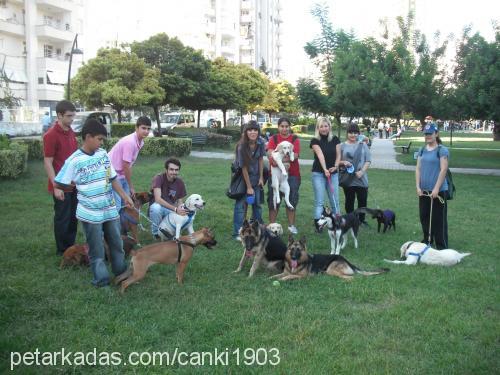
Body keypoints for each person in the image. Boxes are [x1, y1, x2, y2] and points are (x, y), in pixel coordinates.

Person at [54, 119, 133, 287]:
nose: (101, 142)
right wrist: (73, 185)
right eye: (99, 139)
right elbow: (59, 182)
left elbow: (112, 178)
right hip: (90, 214)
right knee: (96, 250)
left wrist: (124, 195)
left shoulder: (103, 154)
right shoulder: (74, 160)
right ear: (88, 137)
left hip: (109, 209)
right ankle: (101, 280)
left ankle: (122, 273)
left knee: (116, 243)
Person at [43, 100, 79, 256]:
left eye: (73, 116)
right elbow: (47, 161)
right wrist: (56, 186)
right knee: (62, 218)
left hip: (74, 184)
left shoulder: (71, 131)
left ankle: (70, 247)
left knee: (73, 217)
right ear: (59, 115)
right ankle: (62, 251)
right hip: (61, 185)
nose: (72, 119)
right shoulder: (50, 135)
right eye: (69, 116)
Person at [416, 122, 449, 249]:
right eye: (426, 134)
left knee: (438, 219)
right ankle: (427, 240)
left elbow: (443, 170)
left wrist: (436, 188)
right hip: (424, 190)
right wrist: (418, 186)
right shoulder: (422, 150)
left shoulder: (442, 150)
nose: (428, 136)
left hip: (438, 191)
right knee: (424, 216)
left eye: (430, 133)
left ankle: (442, 245)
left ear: (436, 133)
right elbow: (418, 169)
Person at [109, 116, 151, 212]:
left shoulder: (141, 142)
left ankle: (124, 226)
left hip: (121, 174)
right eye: (143, 128)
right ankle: (115, 226)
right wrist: (131, 186)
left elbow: (127, 165)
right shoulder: (130, 142)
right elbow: (126, 166)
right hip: (112, 173)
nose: (146, 131)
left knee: (127, 202)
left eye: (148, 129)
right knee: (117, 206)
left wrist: (128, 184)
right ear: (136, 128)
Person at [232, 120, 266, 240]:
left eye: (255, 130)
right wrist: (249, 187)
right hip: (243, 178)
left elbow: (261, 160)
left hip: (256, 177)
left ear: (258, 132)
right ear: (246, 132)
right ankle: (237, 232)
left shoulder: (261, 142)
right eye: (250, 130)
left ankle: (257, 229)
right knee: (241, 206)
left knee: (257, 204)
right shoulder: (241, 146)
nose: (253, 132)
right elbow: (243, 167)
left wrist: (261, 177)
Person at [267, 117, 301, 234]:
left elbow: (295, 155)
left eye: (287, 126)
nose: (284, 128)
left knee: (291, 199)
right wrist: (278, 159)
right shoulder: (274, 138)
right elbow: (270, 153)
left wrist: (279, 158)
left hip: (292, 175)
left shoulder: (295, 139)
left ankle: (291, 226)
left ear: (289, 127)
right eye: (282, 126)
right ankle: (271, 227)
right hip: (275, 174)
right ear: (278, 127)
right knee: (273, 200)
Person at [310, 117, 341, 232]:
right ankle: (319, 225)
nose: (324, 128)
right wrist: (325, 169)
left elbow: (338, 155)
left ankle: (337, 222)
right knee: (320, 201)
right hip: (318, 173)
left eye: (326, 126)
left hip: (333, 174)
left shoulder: (335, 139)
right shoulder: (314, 141)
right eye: (321, 126)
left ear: (329, 127)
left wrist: (336, 166)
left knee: (335, 199)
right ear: (318, 128)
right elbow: (320, 155)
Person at [339, 123, 371, 225]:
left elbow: (368, 160)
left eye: (355, 133)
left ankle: (361, 220)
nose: (353, 135)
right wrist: (343, 162)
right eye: (351, 133)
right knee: (349, 200)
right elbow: (337, 162)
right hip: (347, 178)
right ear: (347, 133)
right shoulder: (341, 146)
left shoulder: (363, 145)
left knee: (362, 200)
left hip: (361, 178)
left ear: (358, 133)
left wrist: (362, 172)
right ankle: (350, 220)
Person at [149, 158, 188, 240]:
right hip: (159, 208)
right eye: (171, 169)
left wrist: (180, 209)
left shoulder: (180, 182)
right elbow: (158, 199)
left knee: (185, 213)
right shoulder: (159, 178)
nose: (174, 172)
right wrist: (175, 209)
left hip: (171, 210)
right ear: (166, 169)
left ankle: (173, 232)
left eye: (176, 170)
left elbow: (180, 201)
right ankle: (156, 234)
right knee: (155, 208)